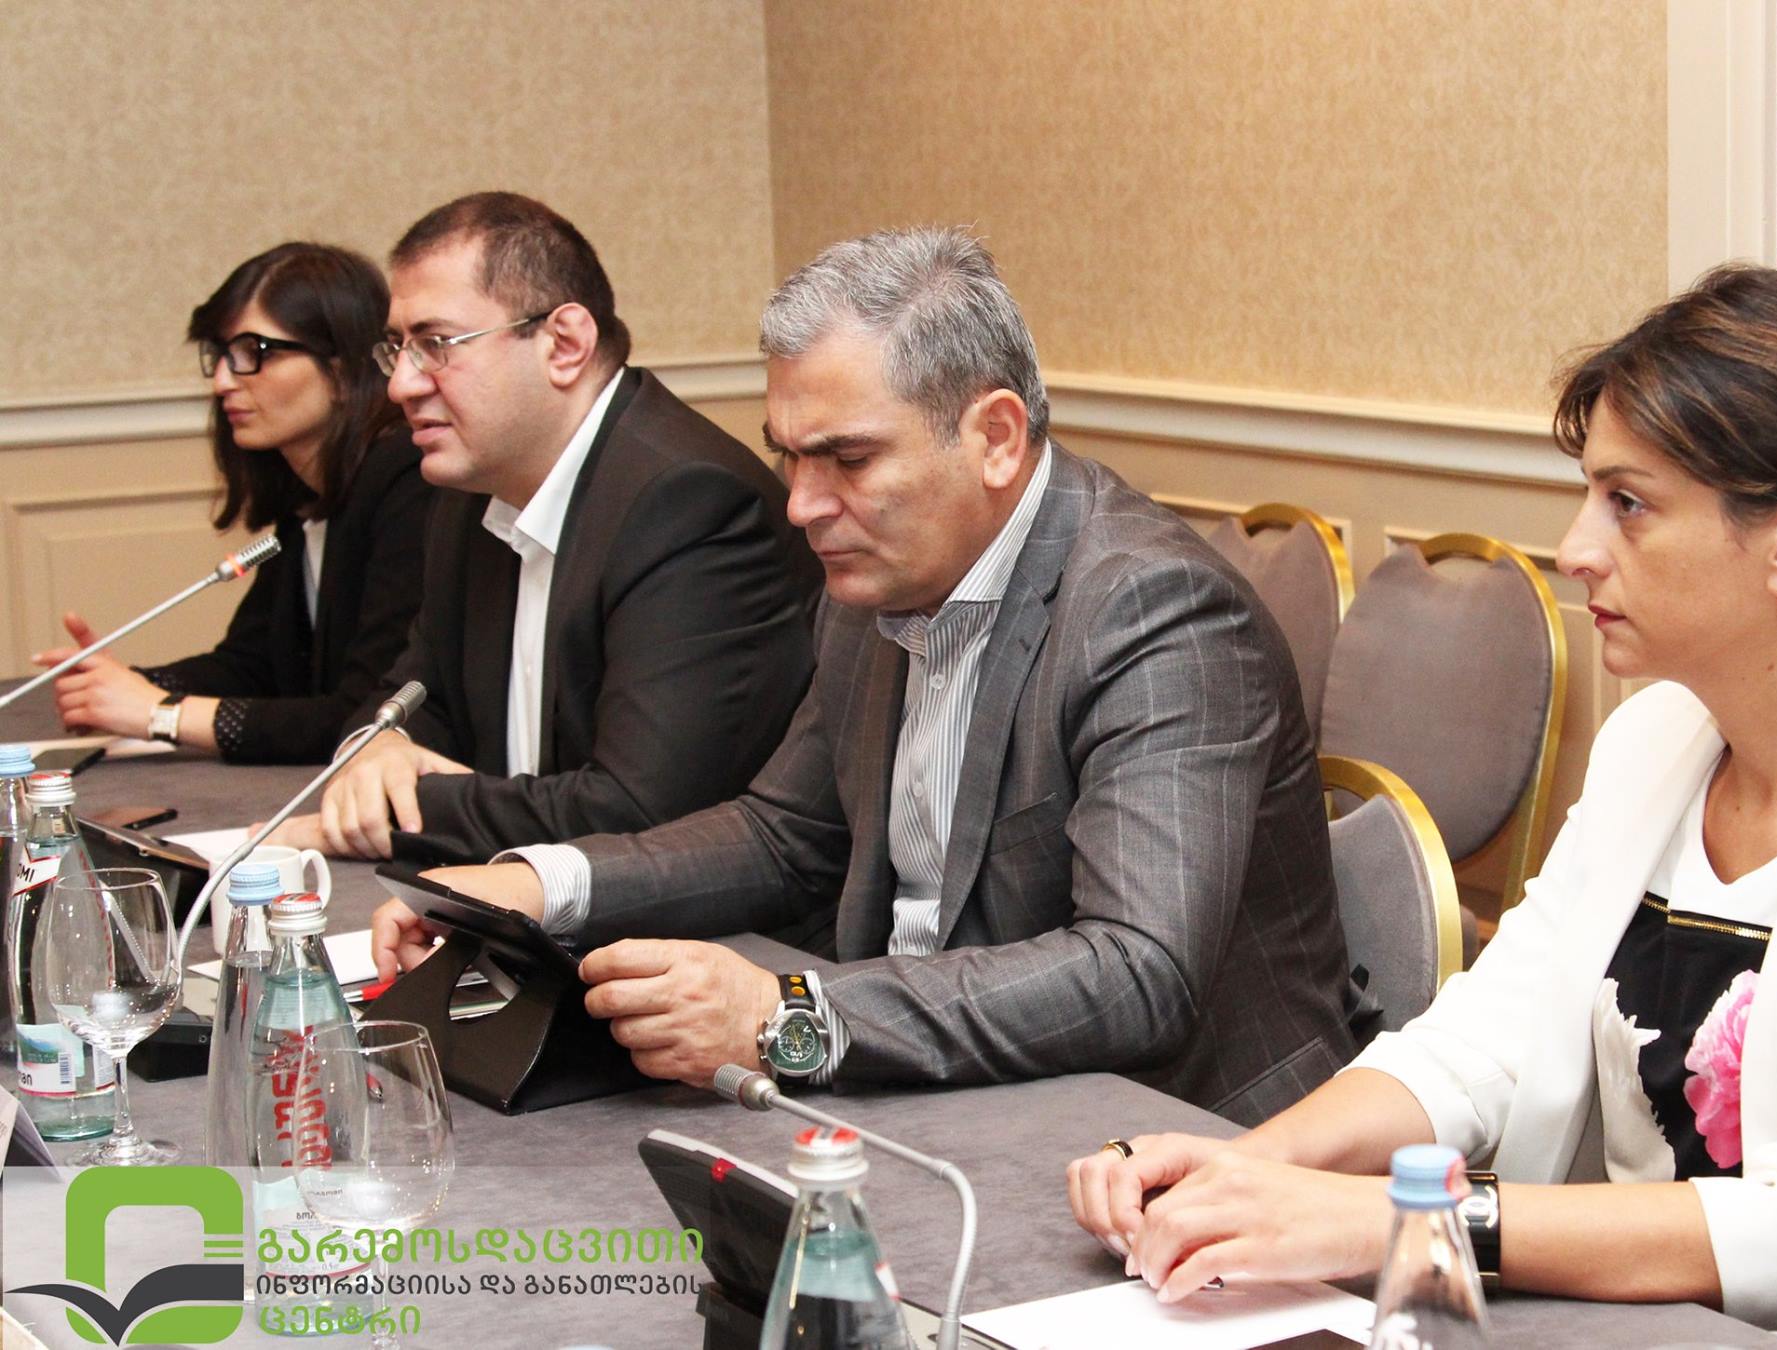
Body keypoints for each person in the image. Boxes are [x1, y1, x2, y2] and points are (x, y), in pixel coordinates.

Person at [1066, 265, 1777, 1347]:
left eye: (1628, 504)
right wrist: (1247, 1167)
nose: (1576, 550)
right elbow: (1485, 1042)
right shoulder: (1651, 743)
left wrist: (1408, 1220)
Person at [367, 227, 1360, 1125]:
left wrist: (788, 1013)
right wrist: (535, 887)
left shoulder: (1153, 611)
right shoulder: (875, 576)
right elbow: (785, 835)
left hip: (1173, 1130)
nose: (802, 506)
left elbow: (1134, 973)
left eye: (846, 459)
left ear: (995, 438)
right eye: (790, 458)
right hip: (942, 1083)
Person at [268, 192, 820, 865]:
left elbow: (638, 813)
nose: (401, 385)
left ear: (564, 344)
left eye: (436, 345)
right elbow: (411, 695)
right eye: (398, 348)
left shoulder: (688, 503)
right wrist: (381, 748)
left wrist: (402, 814)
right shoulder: (472, 496)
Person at [33, 243, 430, 764]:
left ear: (341, 369)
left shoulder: (410, 483)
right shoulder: (308, 497)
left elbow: (363, 716)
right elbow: (254, 665)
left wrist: (161, 713)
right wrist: (122, 685)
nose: (223, 381)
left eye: (253, 352)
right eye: (220, 354)